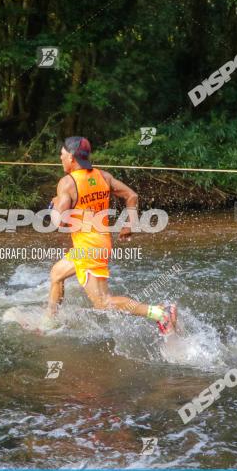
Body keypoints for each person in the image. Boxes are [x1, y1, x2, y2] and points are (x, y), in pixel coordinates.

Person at [44, 136, 177, 335]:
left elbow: (59, 222)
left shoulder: (67, 183)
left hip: (89, 248)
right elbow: (131, 196)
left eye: (62, 155)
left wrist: (53, 205)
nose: (60, 159)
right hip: (96, 244)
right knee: (56, 274)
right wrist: (130, 222)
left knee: (104, 302)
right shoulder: (103, 176)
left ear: (71, 157)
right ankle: (50, 322)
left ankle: (160, 313)